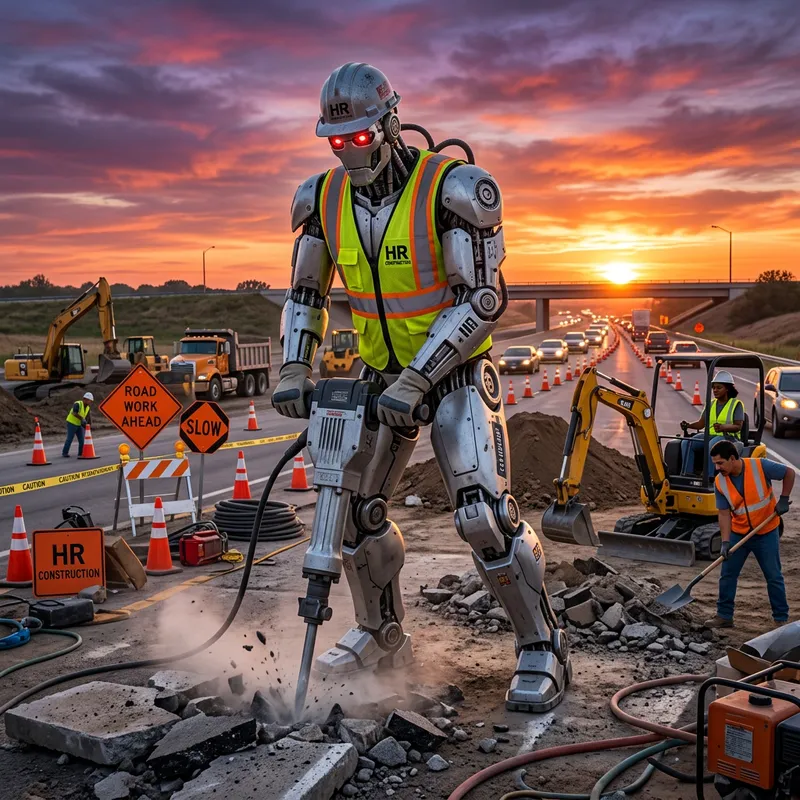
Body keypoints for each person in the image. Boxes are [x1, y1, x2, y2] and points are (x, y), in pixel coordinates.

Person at [272, 63, 569, 712]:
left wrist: (420, 376)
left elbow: (482, 298)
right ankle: (382, 634)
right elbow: (304, 293)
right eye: (335, 140)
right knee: (351, 514)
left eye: (358, 136)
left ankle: (541, 644)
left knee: (482, 515)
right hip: (378, 380)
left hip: (455, 373)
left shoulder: (453, 189)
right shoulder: (321, 201)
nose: (348, 151)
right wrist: (296, 364)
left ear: (389, 122)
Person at [704, 440, 794, 629]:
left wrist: (784, 499)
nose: (717, 468)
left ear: (732, 458)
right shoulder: (720, 482)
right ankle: (724, 616)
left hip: (766, 531)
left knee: (773, 576)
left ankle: (781, 619)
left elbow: (789, 473)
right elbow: (723, 513)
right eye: (714, 463)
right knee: (727, 574)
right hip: (739, 533)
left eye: (720, 463)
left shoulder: (759, 466)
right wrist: (726, 541)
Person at [680, 370, 744, 477]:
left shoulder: (736, 404)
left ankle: (708, 476)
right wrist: (689, 425)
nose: (715, 390)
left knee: (712, 445)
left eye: (719, 388)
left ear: (727, 388)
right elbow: (701, 424)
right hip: (710, 436)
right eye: (714, 388)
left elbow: (738, 426)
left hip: (729, 438)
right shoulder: (711, 404)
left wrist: (723, 427)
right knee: (687, 442)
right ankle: (687, 474)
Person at [62, 391, 93, 458]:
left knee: (82, 440)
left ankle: (80, 453)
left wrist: (88, 426)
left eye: (90, 401)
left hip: (79, 425)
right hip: (72, 423)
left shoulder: (87, 408)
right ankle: (65, 453)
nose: (90, 402)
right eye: (89, 400)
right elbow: (74, 413)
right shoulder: (78, 404)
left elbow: (88, 417)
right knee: (69, 439)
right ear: (85, 399)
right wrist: (81, 418)